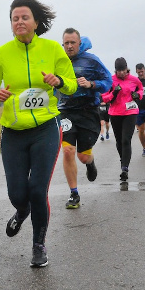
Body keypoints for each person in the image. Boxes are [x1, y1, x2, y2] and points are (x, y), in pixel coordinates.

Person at [0, 0, 77, 267]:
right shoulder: (1, 53)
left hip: (45, 128)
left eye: (24, 17)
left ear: (35, 22)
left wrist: (58, 81)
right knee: (17, 194)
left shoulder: (52, 49)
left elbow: (71, 84)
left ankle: (39, 245)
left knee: (38, 190)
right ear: (11, 24)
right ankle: (21, 211)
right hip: (13, 132)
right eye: (15, 18)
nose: (19, 21)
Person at [57, 29, 113, 209]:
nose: (69, 46)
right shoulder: (57, 60)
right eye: (66, 43)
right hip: (65, 111)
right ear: (63, 44)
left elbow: (108, 82)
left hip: (88, 111)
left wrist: (91, 84)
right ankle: (74, 194)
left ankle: (90, 163)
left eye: (73, 42)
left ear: (80, 43)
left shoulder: (92, 60)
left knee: (83, 156)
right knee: (67, 151)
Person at [101, 57, 144, 181]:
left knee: (126, 139)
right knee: (119, 141)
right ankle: (123, 160)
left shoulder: (134, 80)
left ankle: (125, 168)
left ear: (127, 68)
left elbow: (140, 89)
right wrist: (114, 93)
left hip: (130, 112)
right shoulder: (111, 80)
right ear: (115, 70)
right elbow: (105, 97)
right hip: (115, 113)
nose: (121, 73)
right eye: (119, 70)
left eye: (123, 70)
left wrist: (138, 95)